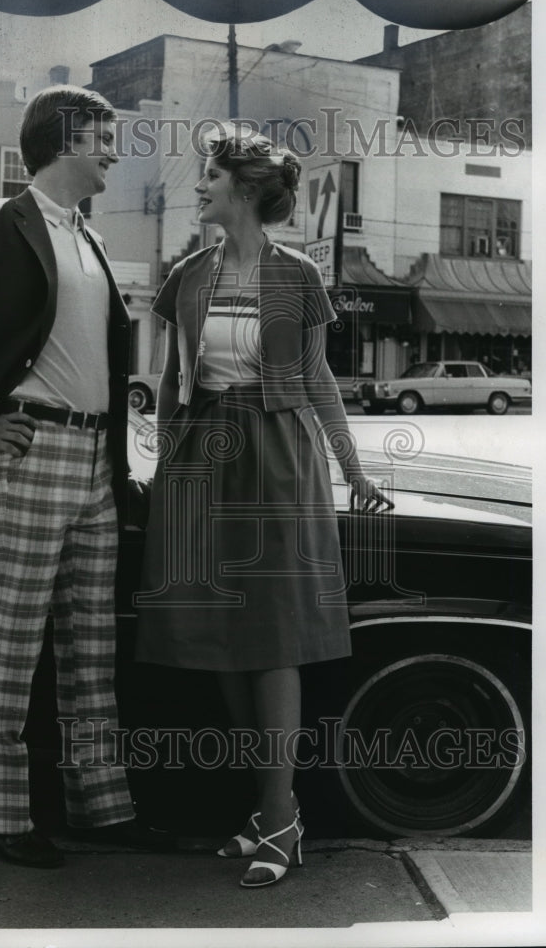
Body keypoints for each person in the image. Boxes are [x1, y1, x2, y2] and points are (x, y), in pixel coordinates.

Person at [0, 85, 168, 868]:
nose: (117, 150)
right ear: (62, 140)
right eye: (105, 136)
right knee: (13, 637)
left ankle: (101, 808)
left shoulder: (90, 238)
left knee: (90, 645)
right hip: (24, 451)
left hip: (91, 461)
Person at [136, 124, 391, 888]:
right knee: (215, 635)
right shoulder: (186, 273)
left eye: (209, 176)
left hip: (278, 459)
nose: (198, 186)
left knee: (273, 638)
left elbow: (317, 384)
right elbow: (166, 382)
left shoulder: (299, 276)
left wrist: (353, 471)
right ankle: (270, 809)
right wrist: (156, 461)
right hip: (199, 460)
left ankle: (279, 820)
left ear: (243, 191)